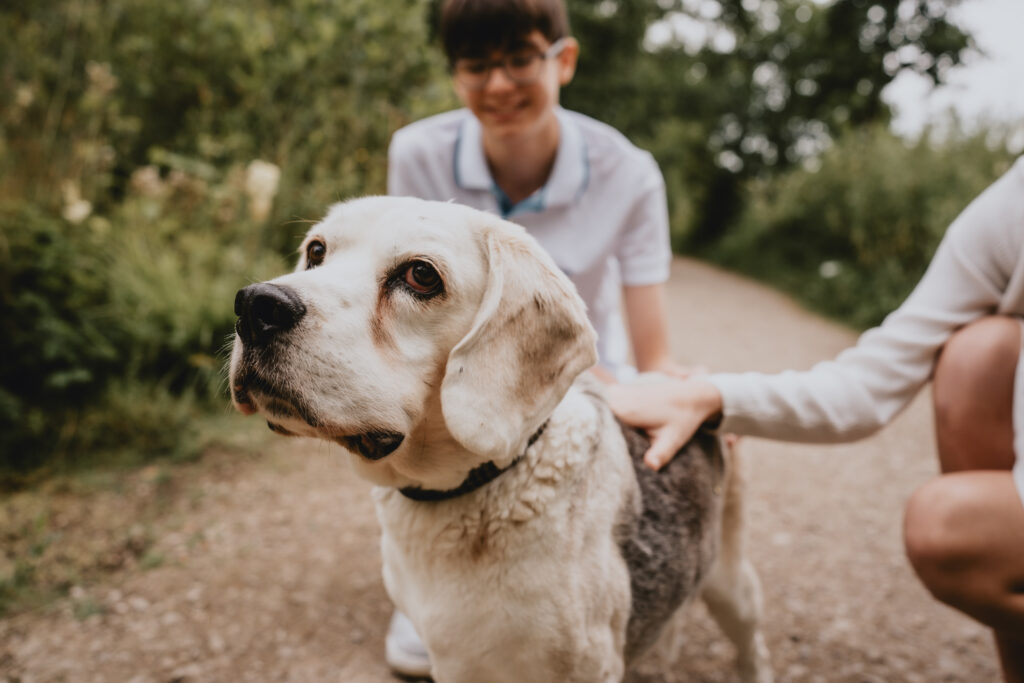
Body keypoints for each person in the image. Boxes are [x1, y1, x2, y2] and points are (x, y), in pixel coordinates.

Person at [609, 156, 1024, 682]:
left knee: (947, 526)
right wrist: (708, 396)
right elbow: (869, 383)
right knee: (978, 358)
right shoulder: (1013, 205)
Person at [383, 0, 689, 675]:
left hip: (578, 372)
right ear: (455, 75)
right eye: (475, 65)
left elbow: (654, 348)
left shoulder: (628, 173)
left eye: (519, 59)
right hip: (456, 367)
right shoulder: (417, 154)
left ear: (564, 60)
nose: (497, 85)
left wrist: (694, 399)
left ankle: (574, 583)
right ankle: (427, 581)